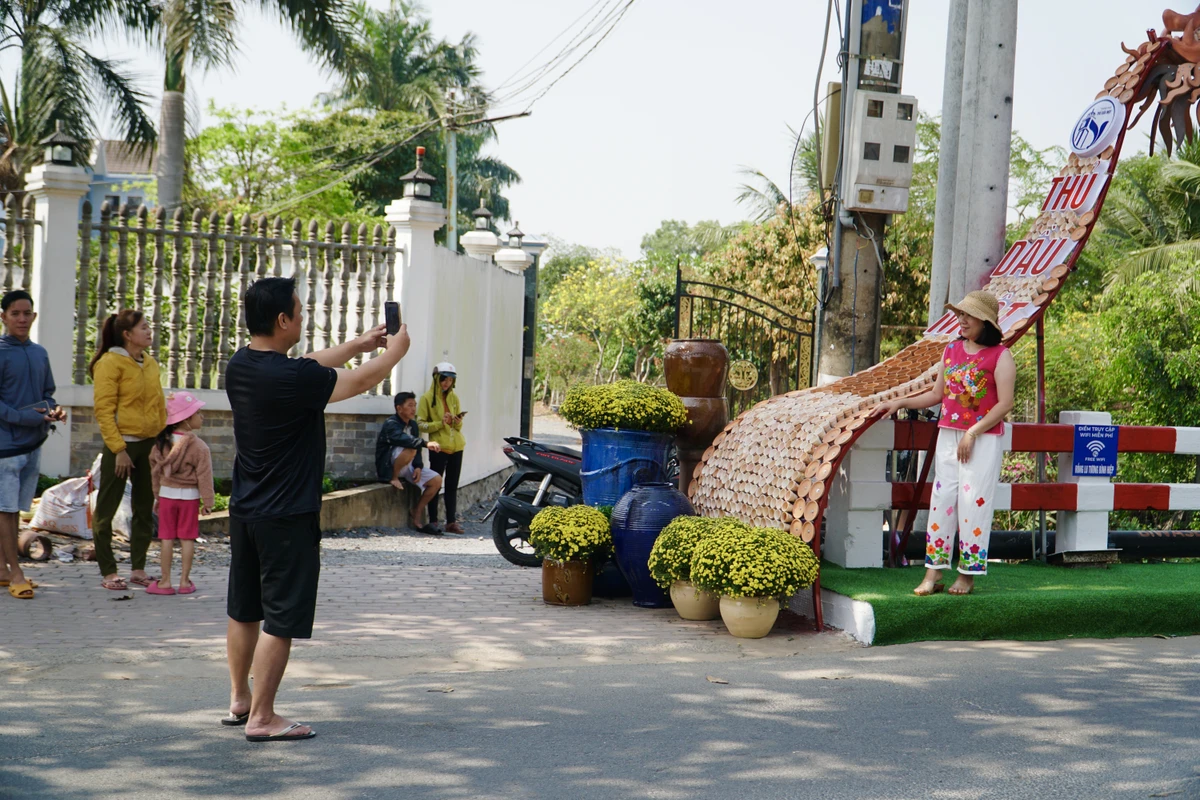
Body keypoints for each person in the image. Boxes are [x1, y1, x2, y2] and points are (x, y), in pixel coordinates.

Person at [224, 276, 409, 743]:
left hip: (246, 510)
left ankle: (240, 699)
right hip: (287, 515)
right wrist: (394, 353)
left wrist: (359, 344)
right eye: (300, 311)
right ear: (282, 319)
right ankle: (262, 718)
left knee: (244, 609)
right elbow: (360, 380)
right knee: (281, 617)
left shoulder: (242, 364)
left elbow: (308, 364)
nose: (303, 318)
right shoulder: (295, 380)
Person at [876, 290, 1015, 597]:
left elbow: (1005, 404)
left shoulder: (1000, 356)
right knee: (942, 500)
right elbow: (937, 395)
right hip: (948, 434)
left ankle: (967, 574)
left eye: (968, 315)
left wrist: (972, 432)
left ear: (985, 321)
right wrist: (899, 402)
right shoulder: (951, 350)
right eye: (960, 314)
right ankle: (934, 572)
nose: (961, 320)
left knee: (974, 502)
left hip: (982, 439)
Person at [89, 310, 167, 591]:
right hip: (121, 446)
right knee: (106, 511)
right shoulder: (110, 363)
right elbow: (104, 410)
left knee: (144, 508)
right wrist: (119, 449)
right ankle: (108, 571)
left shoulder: (150, 363)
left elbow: (159, 404)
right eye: (143, 327)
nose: (149, 331)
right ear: (127, 334)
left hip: (148, 445)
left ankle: (138, 569)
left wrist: (160, 442)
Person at [0, 290, 64, 600]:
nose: (22, 319)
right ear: (3, 317)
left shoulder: (40, 353)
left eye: (27, 313)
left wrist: (53, 410)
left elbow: (48, 393)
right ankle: (16, 573)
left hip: (33, 443)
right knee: (6, 511)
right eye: (15, 313)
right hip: (5, 448)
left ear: (34, 316)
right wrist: (25, 418)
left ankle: (3, 570)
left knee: (13, 511)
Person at [148, 392, 214, 596]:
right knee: (187, 539)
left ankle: (165, 582)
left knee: (166, 538)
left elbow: (155, 473)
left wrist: (157, 496)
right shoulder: (199, 447)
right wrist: (208, 501)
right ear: (186, 418)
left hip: (167, 496)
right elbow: (204, 476)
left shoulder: (160, 444)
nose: (201, 416)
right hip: (189, 498)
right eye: (198, 413)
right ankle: (185, 582)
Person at [375, 391, 443, 535]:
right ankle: (394, 477)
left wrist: (418, 466)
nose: (413, 409)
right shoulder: (391, 424)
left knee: (436, 480)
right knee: (411, 447)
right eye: (410, 405)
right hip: (390, 466)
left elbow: (416, 449)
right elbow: (405, 440)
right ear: (399, 408)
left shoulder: (413, 425)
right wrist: (426, 443)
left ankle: (416, 511)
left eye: (414, 405)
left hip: (408, 464)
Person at [418, 362, 466, 534]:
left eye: (451, 380)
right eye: (444, 379)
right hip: (438, 448)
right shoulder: (426, 398)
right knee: (435, 485)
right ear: (436, 379)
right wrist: (440, 423)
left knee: (452, 485)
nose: (447, 383)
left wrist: (457, 422)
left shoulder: (454, 398)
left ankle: (451, 522)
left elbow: (457, 428)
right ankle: (433, 520)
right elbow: (421, 424)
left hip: (457, 447)